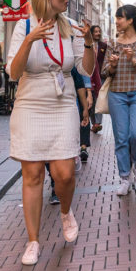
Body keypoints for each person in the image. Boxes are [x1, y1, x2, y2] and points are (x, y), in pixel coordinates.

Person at [6, 0, 95, 265]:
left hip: (63, 103)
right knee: (32, 175)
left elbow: (84, 68)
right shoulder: (24, 25)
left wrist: (90, 44)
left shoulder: (68, 27)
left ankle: (66, 211)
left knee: (65, 173)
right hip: (31, 104)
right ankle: (33, 241)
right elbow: (13, 72)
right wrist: (30, 40)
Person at [102, 4, 136, 195]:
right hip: (117, 94)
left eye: (120, 18)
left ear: (130, 20)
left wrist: (134, 61)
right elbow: (106, 71)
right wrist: (112, 65)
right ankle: (124, 177)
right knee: (121, 138)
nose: (117, 22)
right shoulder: (114, 43)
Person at [49, 66, 90, 205]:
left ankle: (59, 183)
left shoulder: (67, 59)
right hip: (43, 111)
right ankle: (54, 184)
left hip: (66, 109)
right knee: (49, 149)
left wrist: (85, 108)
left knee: (61, 151)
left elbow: (79, 82)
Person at [89, 25, 109, 134]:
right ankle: (94, 122)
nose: (98, 33)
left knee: (99, 98)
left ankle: (98, 123)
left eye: (99, 31)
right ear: (91, 33)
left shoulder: (103, 46)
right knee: (91, 98)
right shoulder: (87, 45)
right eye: (95, 32)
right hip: (89, 75)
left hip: (100, 76)